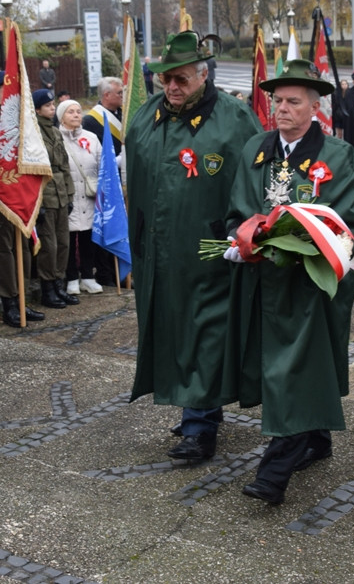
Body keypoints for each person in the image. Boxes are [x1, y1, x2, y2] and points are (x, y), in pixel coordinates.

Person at [225, 59, 354, 505]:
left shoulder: (337, 156)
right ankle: (317, 438)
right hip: (263, 282)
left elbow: (346, 223)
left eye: (292, 102)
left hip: (309, 284)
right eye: (276, 101)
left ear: (314, 106)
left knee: (294, 370)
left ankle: (274, 472)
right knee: (287, 366)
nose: (281, 109)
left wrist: (295, 241)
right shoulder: (255, 150)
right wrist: (241, 237)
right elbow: (238, 207)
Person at [126, 31, 262, 462]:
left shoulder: (233, 118)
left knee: (205, 331)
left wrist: (239, 235)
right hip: (159, 248)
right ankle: (192, 404)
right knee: (171, 328)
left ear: (203, 76)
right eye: (166, 79)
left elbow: (255, 181)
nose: (172, 87)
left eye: (181, 79)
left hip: (207, 248)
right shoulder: (149, 115)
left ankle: (199, 427)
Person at [0, 71, 44, 327]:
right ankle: (9, 303)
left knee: (23, 250)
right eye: (10, 89)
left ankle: (23, 300)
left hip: (21, 196)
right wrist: (8, 170)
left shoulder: (17, 121)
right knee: (4, 252)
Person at [32, 88, 78, 309]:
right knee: (48, 245)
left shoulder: (55, 132)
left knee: (63, 243)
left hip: (60, 194)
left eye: (53, 105)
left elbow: (64, 166)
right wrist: (37, 203)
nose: (53, 108)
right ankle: (48, 288)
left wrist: (69, 195)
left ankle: (59, 284)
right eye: (48, 105)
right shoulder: (33, 134)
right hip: (46, 195)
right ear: (38, 109)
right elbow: (32, 172)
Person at [81, 77, 125, 288]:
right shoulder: (91, 120)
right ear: (107, 95)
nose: (122, 97)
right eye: (119, 93)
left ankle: (122, 272)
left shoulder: (123, 115)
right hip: (106, 181)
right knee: (107, 226)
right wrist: (114, 162)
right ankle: (106, 273)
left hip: (124, 180)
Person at [58, 98, 103, 296]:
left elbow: (101, 164)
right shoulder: (56, 138)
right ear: (61, 117)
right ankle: (71, 278)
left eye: (78, 111)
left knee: (87, 237)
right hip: (68, 197)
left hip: (89, 196)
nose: (76, 114)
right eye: (71, 112)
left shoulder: (92, 138)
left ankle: (88, 276)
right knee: (68, 238)